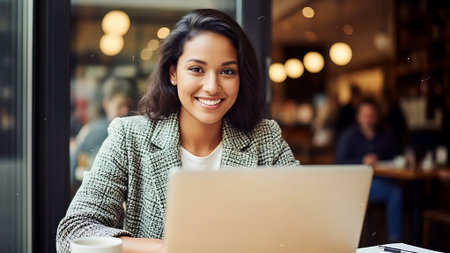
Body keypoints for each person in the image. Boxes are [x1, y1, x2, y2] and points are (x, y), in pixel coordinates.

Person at [57, 9, 299, 253]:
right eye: (197, 69)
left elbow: (304, 220)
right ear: (173, 73)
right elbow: (73, 232)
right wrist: (166, 248)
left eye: (227, 71)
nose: (212, 86)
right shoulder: (130, 136)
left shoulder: (264, 138)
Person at [335, 98, 403, 242]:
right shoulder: (349, 136)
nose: (369, 119)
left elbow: (396, 157)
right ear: (358, 117)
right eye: (365, 115)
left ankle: (396, 239)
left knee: (398, 191)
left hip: (381, 181)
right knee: (395, 193)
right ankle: (395, 240)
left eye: (372, 115)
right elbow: (339, 162)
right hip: (357, 185)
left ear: (377, 117)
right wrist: (361, 161)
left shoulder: (385, 136)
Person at [70, 77, 138, 191]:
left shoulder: (90, 128)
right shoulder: (97, 130)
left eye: (128, 106)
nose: (125, 111)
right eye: (120, 105)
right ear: (106, 104)